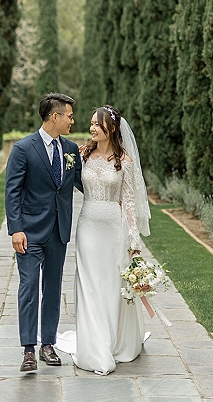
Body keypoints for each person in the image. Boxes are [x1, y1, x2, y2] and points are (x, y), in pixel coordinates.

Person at [58, 105, 151, 374]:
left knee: (111, 286)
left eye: (97, 124)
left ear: (111, 128)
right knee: (89, 285)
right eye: (90, 123)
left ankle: (113, 341)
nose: (91, 128)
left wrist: (134, 244)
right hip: (87, 227)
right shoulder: (82, 155)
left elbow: (130, 205)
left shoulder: (126, 162)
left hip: (113, 229)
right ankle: (94, 348)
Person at [5, 93, 83, 372]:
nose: (73, 120)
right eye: (70, 116)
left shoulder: (72, 149)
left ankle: (48, 345)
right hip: (29, 233)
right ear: (55, 116)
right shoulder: (23, 149)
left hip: (58, 233)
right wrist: (16, 229)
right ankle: (28, 349)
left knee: (52, 289)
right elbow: (12, 192)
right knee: (28, 289)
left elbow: (83, 185)